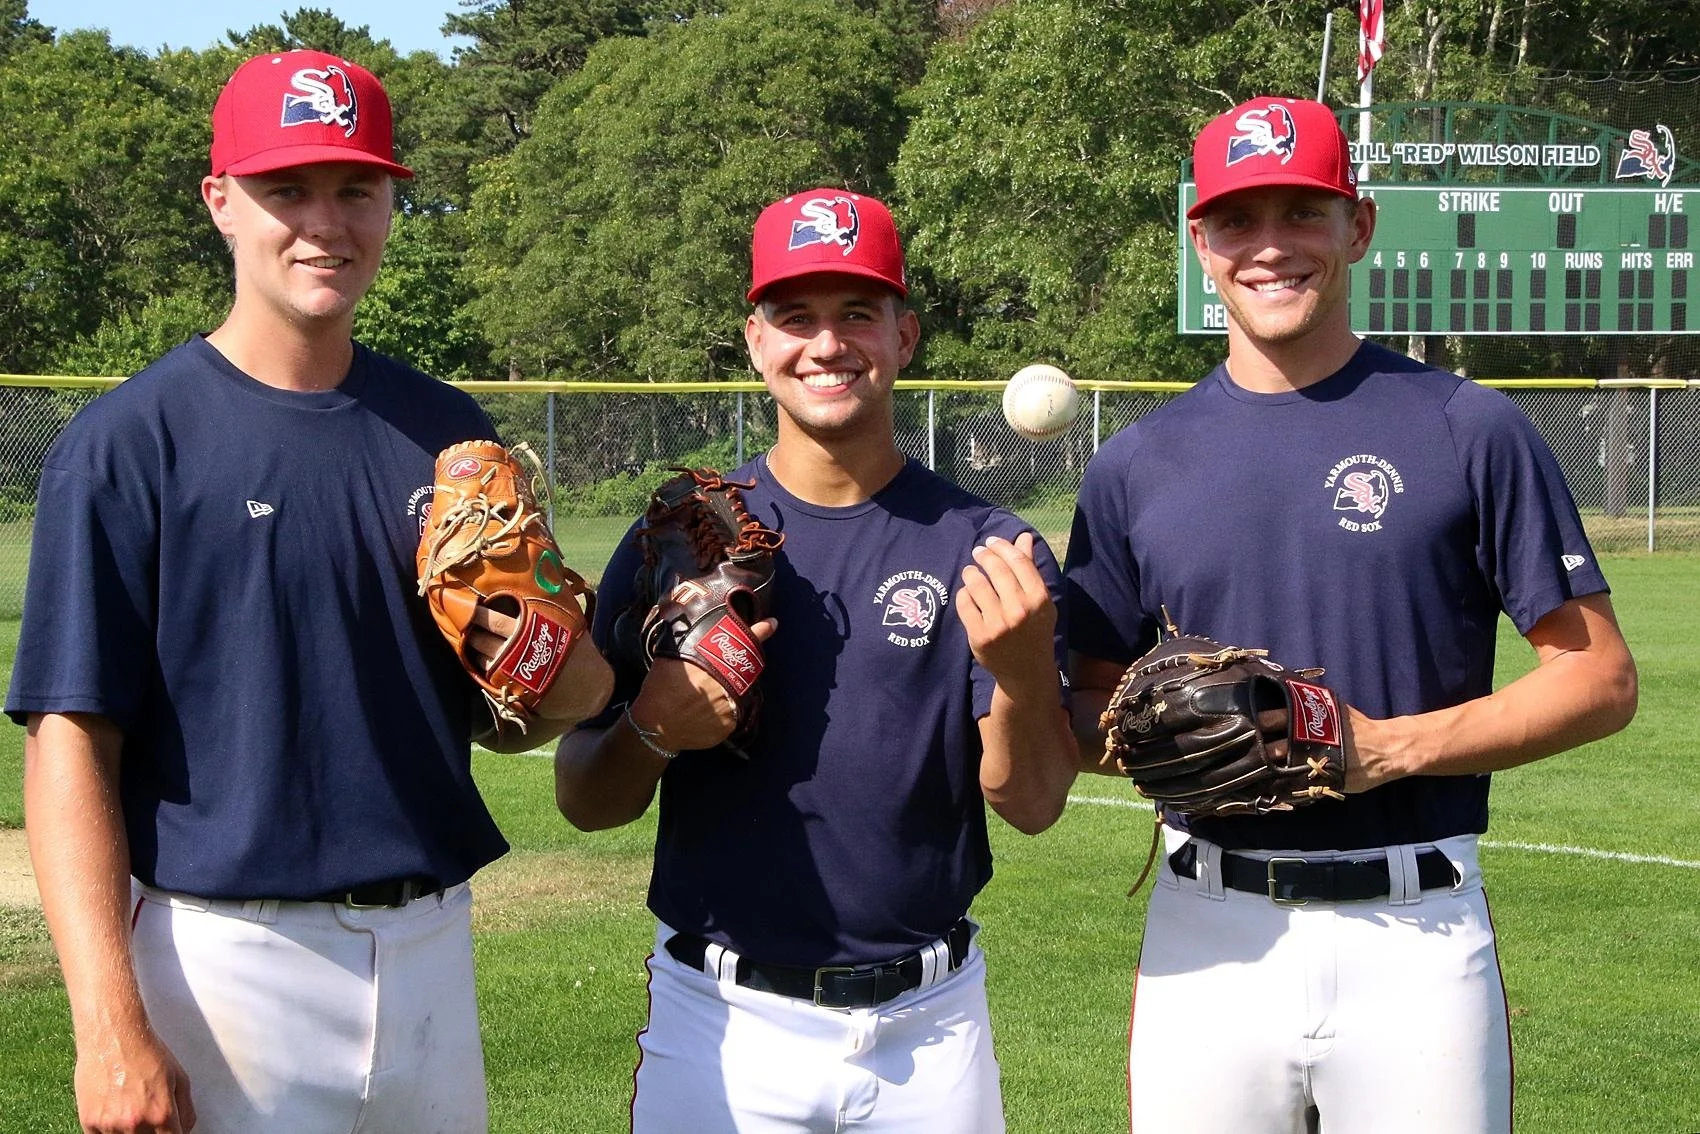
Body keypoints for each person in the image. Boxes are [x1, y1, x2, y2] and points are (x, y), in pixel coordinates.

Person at [7, 50, 597, 1134]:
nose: (326, 223)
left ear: (388, 204)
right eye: (287, 189)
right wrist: (108, 1027)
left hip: (429, 949)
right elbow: (68, 743)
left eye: (356, 190)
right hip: (225, 967)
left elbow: (509, 723)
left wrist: (561, 655)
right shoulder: (130, 445)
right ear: (221, 202)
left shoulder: (447, 436)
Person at [1064, 96, 1637, 1133]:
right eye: (1237, 220)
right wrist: (1159, 738)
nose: (1269, 247)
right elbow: (1086, 698)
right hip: (1210, 927)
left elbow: (1596, 679)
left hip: (1412, 931)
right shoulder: (1134, 464)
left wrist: (1382, 750)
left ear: (1357, 226)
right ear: (1200, 241)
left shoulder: (1469, 428)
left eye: (1301, 212)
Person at [554, 187, 1078, 1132]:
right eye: (795, 318)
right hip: (720, 1018)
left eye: (857, 316)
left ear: (905, 335)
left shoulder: (988, 548)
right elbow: (586, 800)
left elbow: (1033, 805)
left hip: (930, 1028)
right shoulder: (682, 537)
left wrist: (1027, 674)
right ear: (756, 342)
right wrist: (652, 729)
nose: (827, 346)